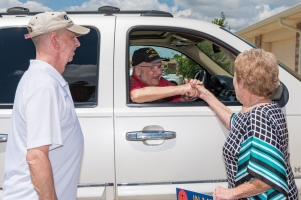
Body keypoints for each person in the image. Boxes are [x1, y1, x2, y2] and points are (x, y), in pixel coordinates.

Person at [2, 11, 90, 200]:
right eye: (73, 37)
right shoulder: (44, 85)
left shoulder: (45, 80)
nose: (78, 43)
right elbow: (36, 157)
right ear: (55, 41)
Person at [191, 49, 298, 199]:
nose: (233, 81)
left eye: (234, 76)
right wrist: (204, 94)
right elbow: (235, 123)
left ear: (243, 83)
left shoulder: (259, 117)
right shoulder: (265, 108)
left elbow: (268, 176)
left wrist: (231, 193)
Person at [130, 47, 199, 103]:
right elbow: (136, 95)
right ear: (138, 70)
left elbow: (179, 97)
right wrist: (182, 88)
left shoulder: (160, 81)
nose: (159, 72)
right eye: (152, 67)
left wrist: (188, 96)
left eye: (160, 66)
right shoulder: (128, 83)